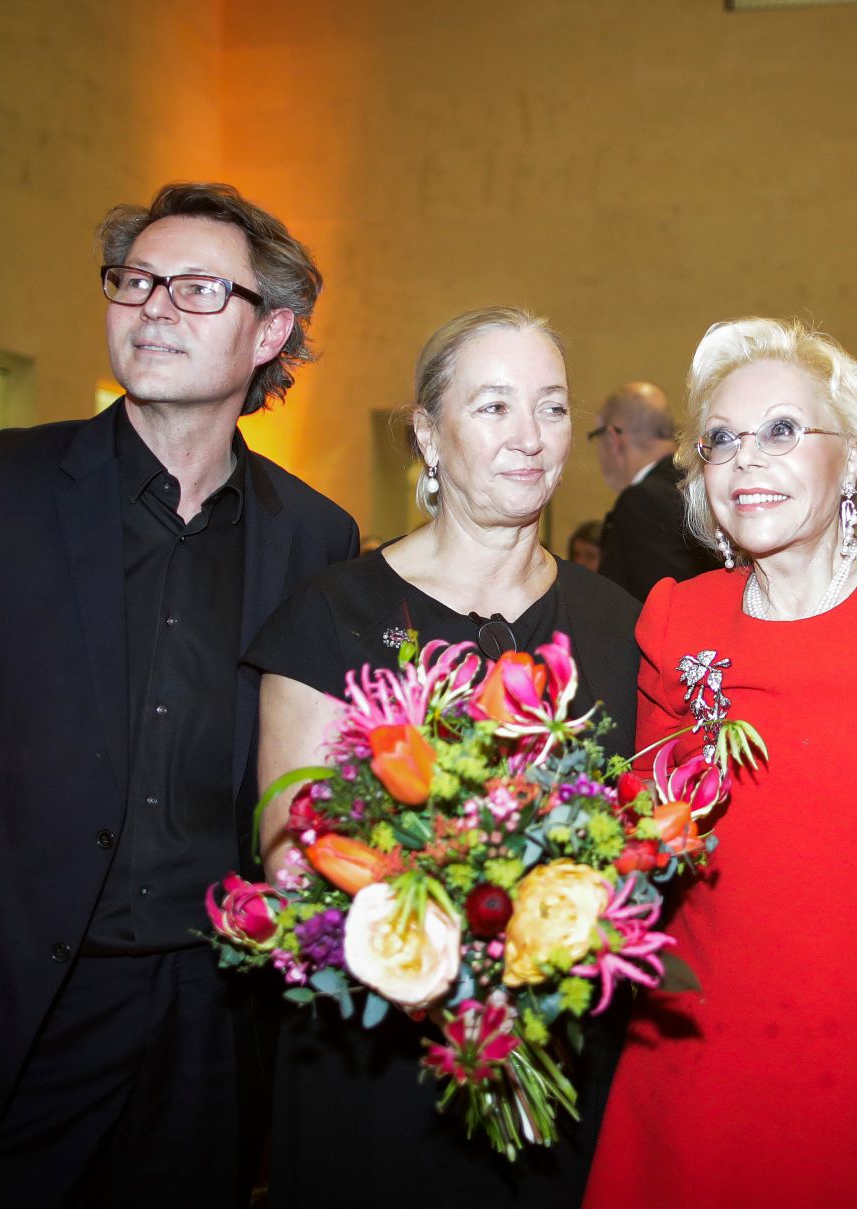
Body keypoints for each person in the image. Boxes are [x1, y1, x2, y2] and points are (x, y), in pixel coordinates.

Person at [0, 182, 359, 1206]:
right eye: (134, 280)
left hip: (216, 1017)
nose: (153, 306)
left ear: (270, 334)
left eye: (199, 289)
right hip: (8, 1007)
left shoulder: (314, 538)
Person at [584, 318, 857, 1208]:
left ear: (854, 460)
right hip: (712, 1076)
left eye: (784, 430)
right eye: (720, 439)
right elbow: (644, 837)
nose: (746, 459)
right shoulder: (677, 621)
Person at [246, 306, 640, 1207]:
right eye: (494, 406)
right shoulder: (333, 611)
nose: (529, 438)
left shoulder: (618, 622)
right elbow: (284, 847)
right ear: (428, 431)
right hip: (377, 1063)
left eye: (550, 408)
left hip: (561, 1066)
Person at [591, 380, 717, 600]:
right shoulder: (699, 482)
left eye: (597, 437)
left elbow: (650, 607)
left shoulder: (641, 503)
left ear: (613, 438)